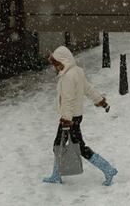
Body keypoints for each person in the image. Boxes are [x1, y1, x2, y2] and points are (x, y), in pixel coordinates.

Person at [43, 45, 118, 186]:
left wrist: (66, 120)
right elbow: (88, 89)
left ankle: (108, 169)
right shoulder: (77, 71)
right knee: (61, 145)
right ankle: (56, 175)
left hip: (69, 118)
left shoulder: (68, 77)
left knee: (74, 147)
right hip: (74, 117)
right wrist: (100, 101)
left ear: (64, 61)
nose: (57, 68)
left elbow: (68, 100)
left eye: (58, 64)